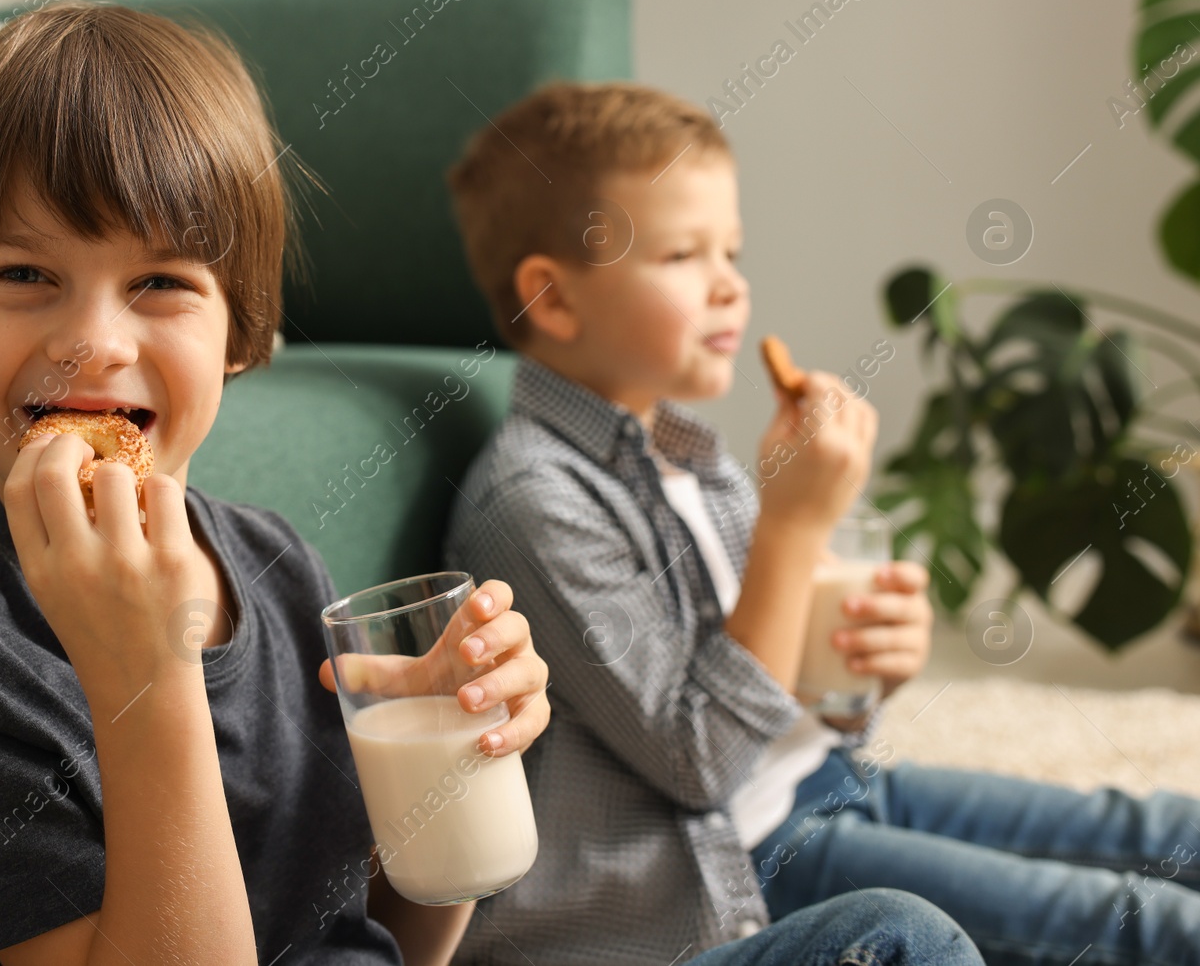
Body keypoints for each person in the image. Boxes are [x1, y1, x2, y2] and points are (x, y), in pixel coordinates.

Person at [0, 0, 555, 966]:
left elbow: (373, 940)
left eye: (161, 282)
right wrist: (147, 676)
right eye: (25, 273)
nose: (94, 342)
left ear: (241, 333)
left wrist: (448, 773)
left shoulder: (281, 569)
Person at [440, 79, 1200, 965]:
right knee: (1133, 923)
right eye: (685, 254)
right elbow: (703, 762)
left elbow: (779, 674)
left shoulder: (691, 449)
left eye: (734, 250)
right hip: (739, 854)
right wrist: (794, 524)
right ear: (556, 299)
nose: (731, 286)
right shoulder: (535, 500)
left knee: (1161, 827)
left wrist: (866, 670)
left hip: (827, 780)